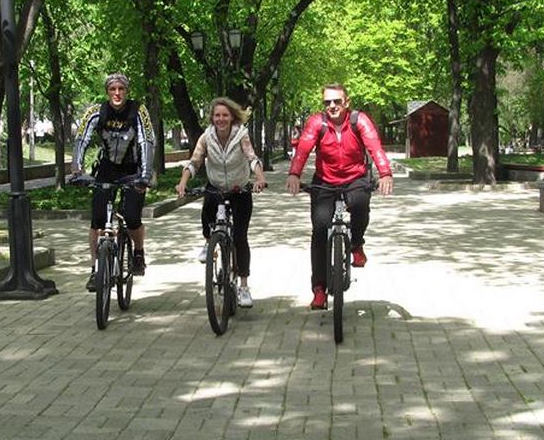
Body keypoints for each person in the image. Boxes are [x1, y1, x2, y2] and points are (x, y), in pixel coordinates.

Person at [286, 83, 394, 310]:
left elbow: (375, 147)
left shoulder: (359, 121)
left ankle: (356, 244)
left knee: (360, 203)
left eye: (337, 101)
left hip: (355, 177)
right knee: (319, 228)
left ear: (347, 102)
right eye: (327, 102)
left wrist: (385, 173)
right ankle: (319, 289)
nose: (332, 106)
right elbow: (303, 149)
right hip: (325, 180)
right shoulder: (317, 122)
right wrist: (294, 174)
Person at [175, 98, 268, 308]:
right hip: (216, 187)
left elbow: (252, 158)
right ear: (212, 118)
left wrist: (260, 177)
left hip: (239, 189)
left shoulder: (241, 135)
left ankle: (243, 286)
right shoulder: (206, 137)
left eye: (225, 115)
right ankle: (209, 242)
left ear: (232, 117)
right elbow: (195, 161)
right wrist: (183, 183)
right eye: (217, 115)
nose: (221, 119)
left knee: (240, 238)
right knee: (207, 211)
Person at [72, 73, 155, 291]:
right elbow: (81, 138)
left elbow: (147, 141)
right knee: (97, 221)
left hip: (133, 170)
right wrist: (76, 170)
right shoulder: (96, 111)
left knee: (132, 217)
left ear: (127, 91)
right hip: (106, 170)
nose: (117, 93)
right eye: (112, 89)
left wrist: (146, 175)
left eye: (121, 89)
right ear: (107, 92)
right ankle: (95, 270)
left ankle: (138, 252)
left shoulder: (138, 111)